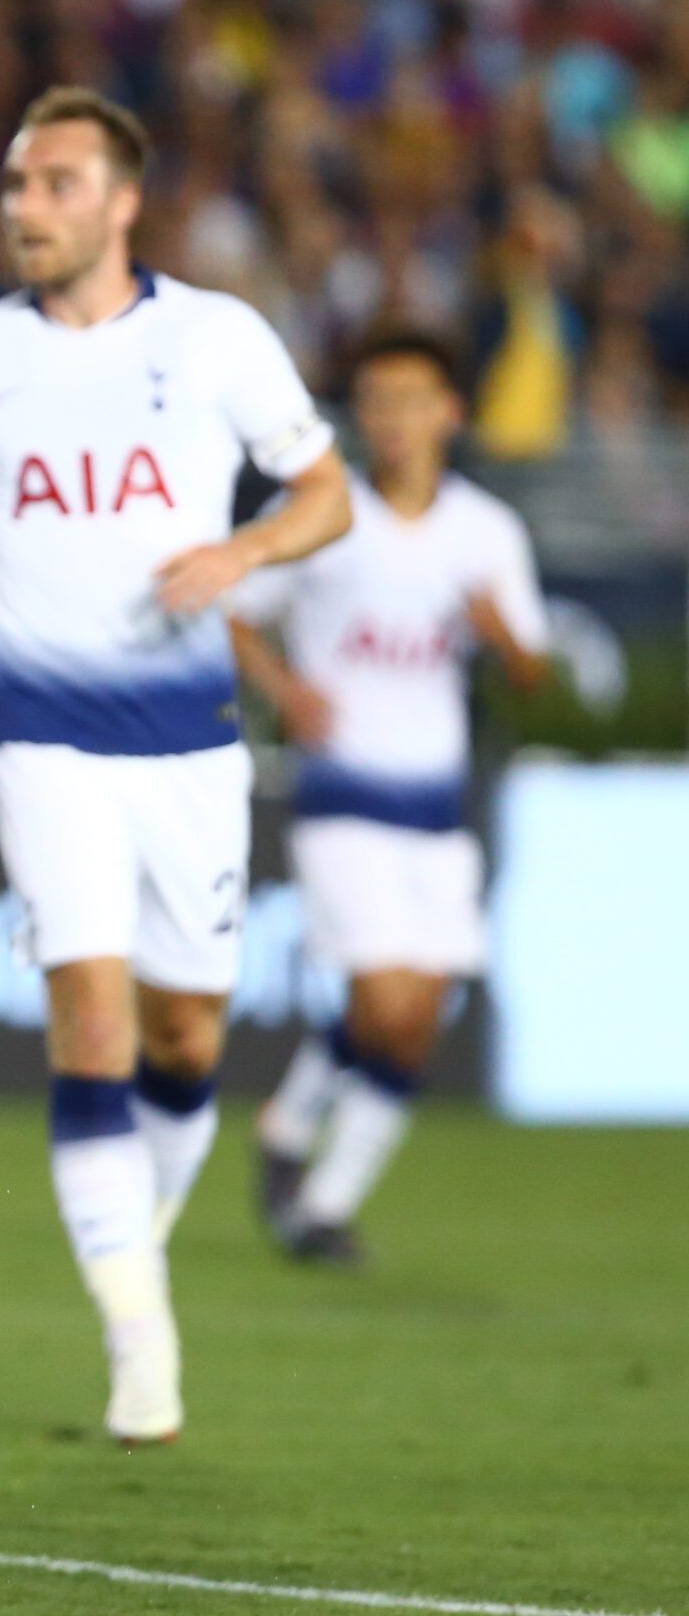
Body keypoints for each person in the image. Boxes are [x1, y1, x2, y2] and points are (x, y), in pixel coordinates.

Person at [0, 87, 351, 1444]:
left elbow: (324, 492)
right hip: (43, 731)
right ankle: (140, 1342)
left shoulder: (218, 338)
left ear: (121, 201)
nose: (23, 205)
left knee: (186, 1037)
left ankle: (134, 1252)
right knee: (94, 1025)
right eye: (13, 180)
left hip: (193, 744)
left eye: (53, 182)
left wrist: (242, 554)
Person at [235, 330, 552, 1263]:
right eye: (376, 402)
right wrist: (288, 691)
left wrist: (500, 633)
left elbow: (533, 670)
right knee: (384, 1000)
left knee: (416, 1018)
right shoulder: (324, 515)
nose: (395, 420)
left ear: (450, 412)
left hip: (437, 800)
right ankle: (315, 1193)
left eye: (413, 399)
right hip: (342, 791)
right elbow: (237, 614)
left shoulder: (487, 531)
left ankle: (304, 1159)